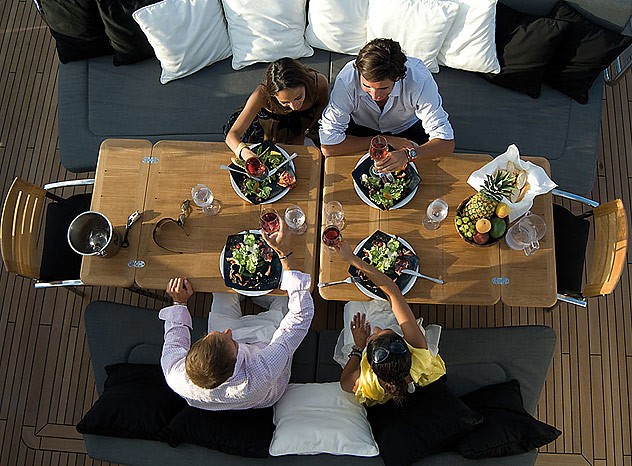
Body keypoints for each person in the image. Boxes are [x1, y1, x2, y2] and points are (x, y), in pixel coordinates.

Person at [159, 220, 314, 410]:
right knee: (285, 296)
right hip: (265, 344)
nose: (228, 331)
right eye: (232, 342)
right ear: (235, 365)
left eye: (209, 336)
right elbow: (300, 316)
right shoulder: (262, 371)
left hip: (232, 356)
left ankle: (253, 294)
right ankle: (267, 296)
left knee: (221, 287)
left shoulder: (175, 374)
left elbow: (174, 340)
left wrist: (179, 302)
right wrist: (285, 253)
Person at [333, 240, 446, 406]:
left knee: (353, 305)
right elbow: (393, 292)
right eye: (385, 331)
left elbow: (344, 383)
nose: (376, 328)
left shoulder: (367, 380)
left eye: (373, 335)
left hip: (360, 349)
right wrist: (352, 259)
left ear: (370, 366)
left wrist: (358, 348)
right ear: (406, 345)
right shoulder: (419, 351)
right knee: (385, 304)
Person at [319, 38, 455, 173]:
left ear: (398, 78)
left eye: (383, 88)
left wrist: (408, 155)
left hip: (408, 128)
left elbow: (446, 143)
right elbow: (328, 146)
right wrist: (383, 141)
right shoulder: (346, 81)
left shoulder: (419, 81)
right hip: (361, 129)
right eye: (366, 86)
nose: (374, 96)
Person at [225, 57, 329, 161]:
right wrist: (246, 153)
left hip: (304, 121)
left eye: (298, 97)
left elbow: (321, 107)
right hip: (269, 127)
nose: (294, 106)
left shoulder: (318, 83)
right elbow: (232, 136)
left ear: (305, 84)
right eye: (285, 102)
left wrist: (306, 131)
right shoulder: (261, 95)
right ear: (272, 95)